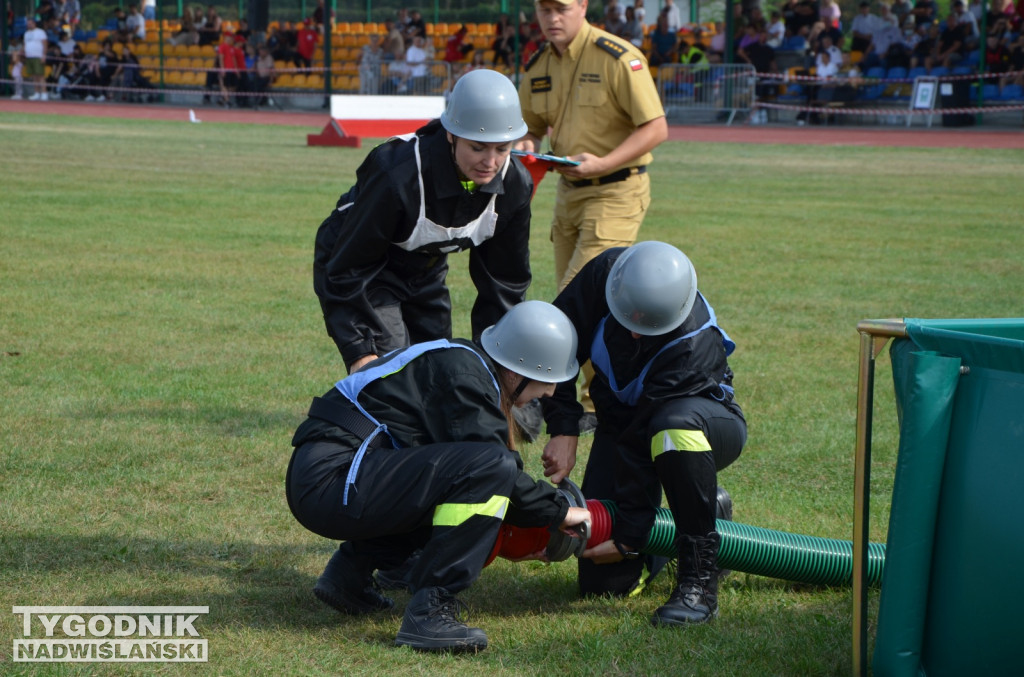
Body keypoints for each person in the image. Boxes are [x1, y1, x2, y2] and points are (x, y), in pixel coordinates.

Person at [286, 300, 591, 652]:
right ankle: (430, 613)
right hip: (332, 481)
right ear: (516, 369)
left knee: (457, 481)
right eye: (545, 380)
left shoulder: (465, 364)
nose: (550, 393)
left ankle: (348, 577)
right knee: (491, 466)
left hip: (329, 476)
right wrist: (559, 511)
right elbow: (496, 472)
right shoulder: (466, 379)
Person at [539, 242, 745, 625]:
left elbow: (639, 443)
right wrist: (564, 428)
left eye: (647, 327)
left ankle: (698, 580)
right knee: (602, 585)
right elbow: (556, 340)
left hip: (701, 430)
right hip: (626, 427)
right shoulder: (608, 274)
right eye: (628, 319)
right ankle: (703, 509)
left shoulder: (693, 347)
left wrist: (630, 537)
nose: (633, 334)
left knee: (672, 427)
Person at [313, 69, 533, 374]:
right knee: (391, 374)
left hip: (426, 271)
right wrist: (359, 349)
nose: (491, 162)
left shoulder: (515, 185)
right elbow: (347, 267)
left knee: (437, 371)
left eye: (502, 148)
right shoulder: (397, 175)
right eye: (478, 147)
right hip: (366, 269)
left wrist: (497, 362)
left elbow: (504, 282)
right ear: (451, 135)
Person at [516, 0, 667, 293]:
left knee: (575, 296)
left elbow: (656, 128)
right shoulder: (538, 64)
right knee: (581, 299)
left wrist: (604, 163)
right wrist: (527, 144)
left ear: (583, 6)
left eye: (562, 9)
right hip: (567, 195)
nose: (553, 19)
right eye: (545, 11)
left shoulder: (616, 58)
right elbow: (530, 128)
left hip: (614, 191)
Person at [23, 17, 49, 101]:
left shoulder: (40, 32)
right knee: (34, 76)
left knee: (40, 75)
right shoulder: (26, 34)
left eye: (30, 23)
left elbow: (45, 44)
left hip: (38, 56)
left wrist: (44, 55)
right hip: (29, 56)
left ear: (34, 23)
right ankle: (36, 93)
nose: (28, 25)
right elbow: (25, 45)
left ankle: (44, 93)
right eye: (28, 23)